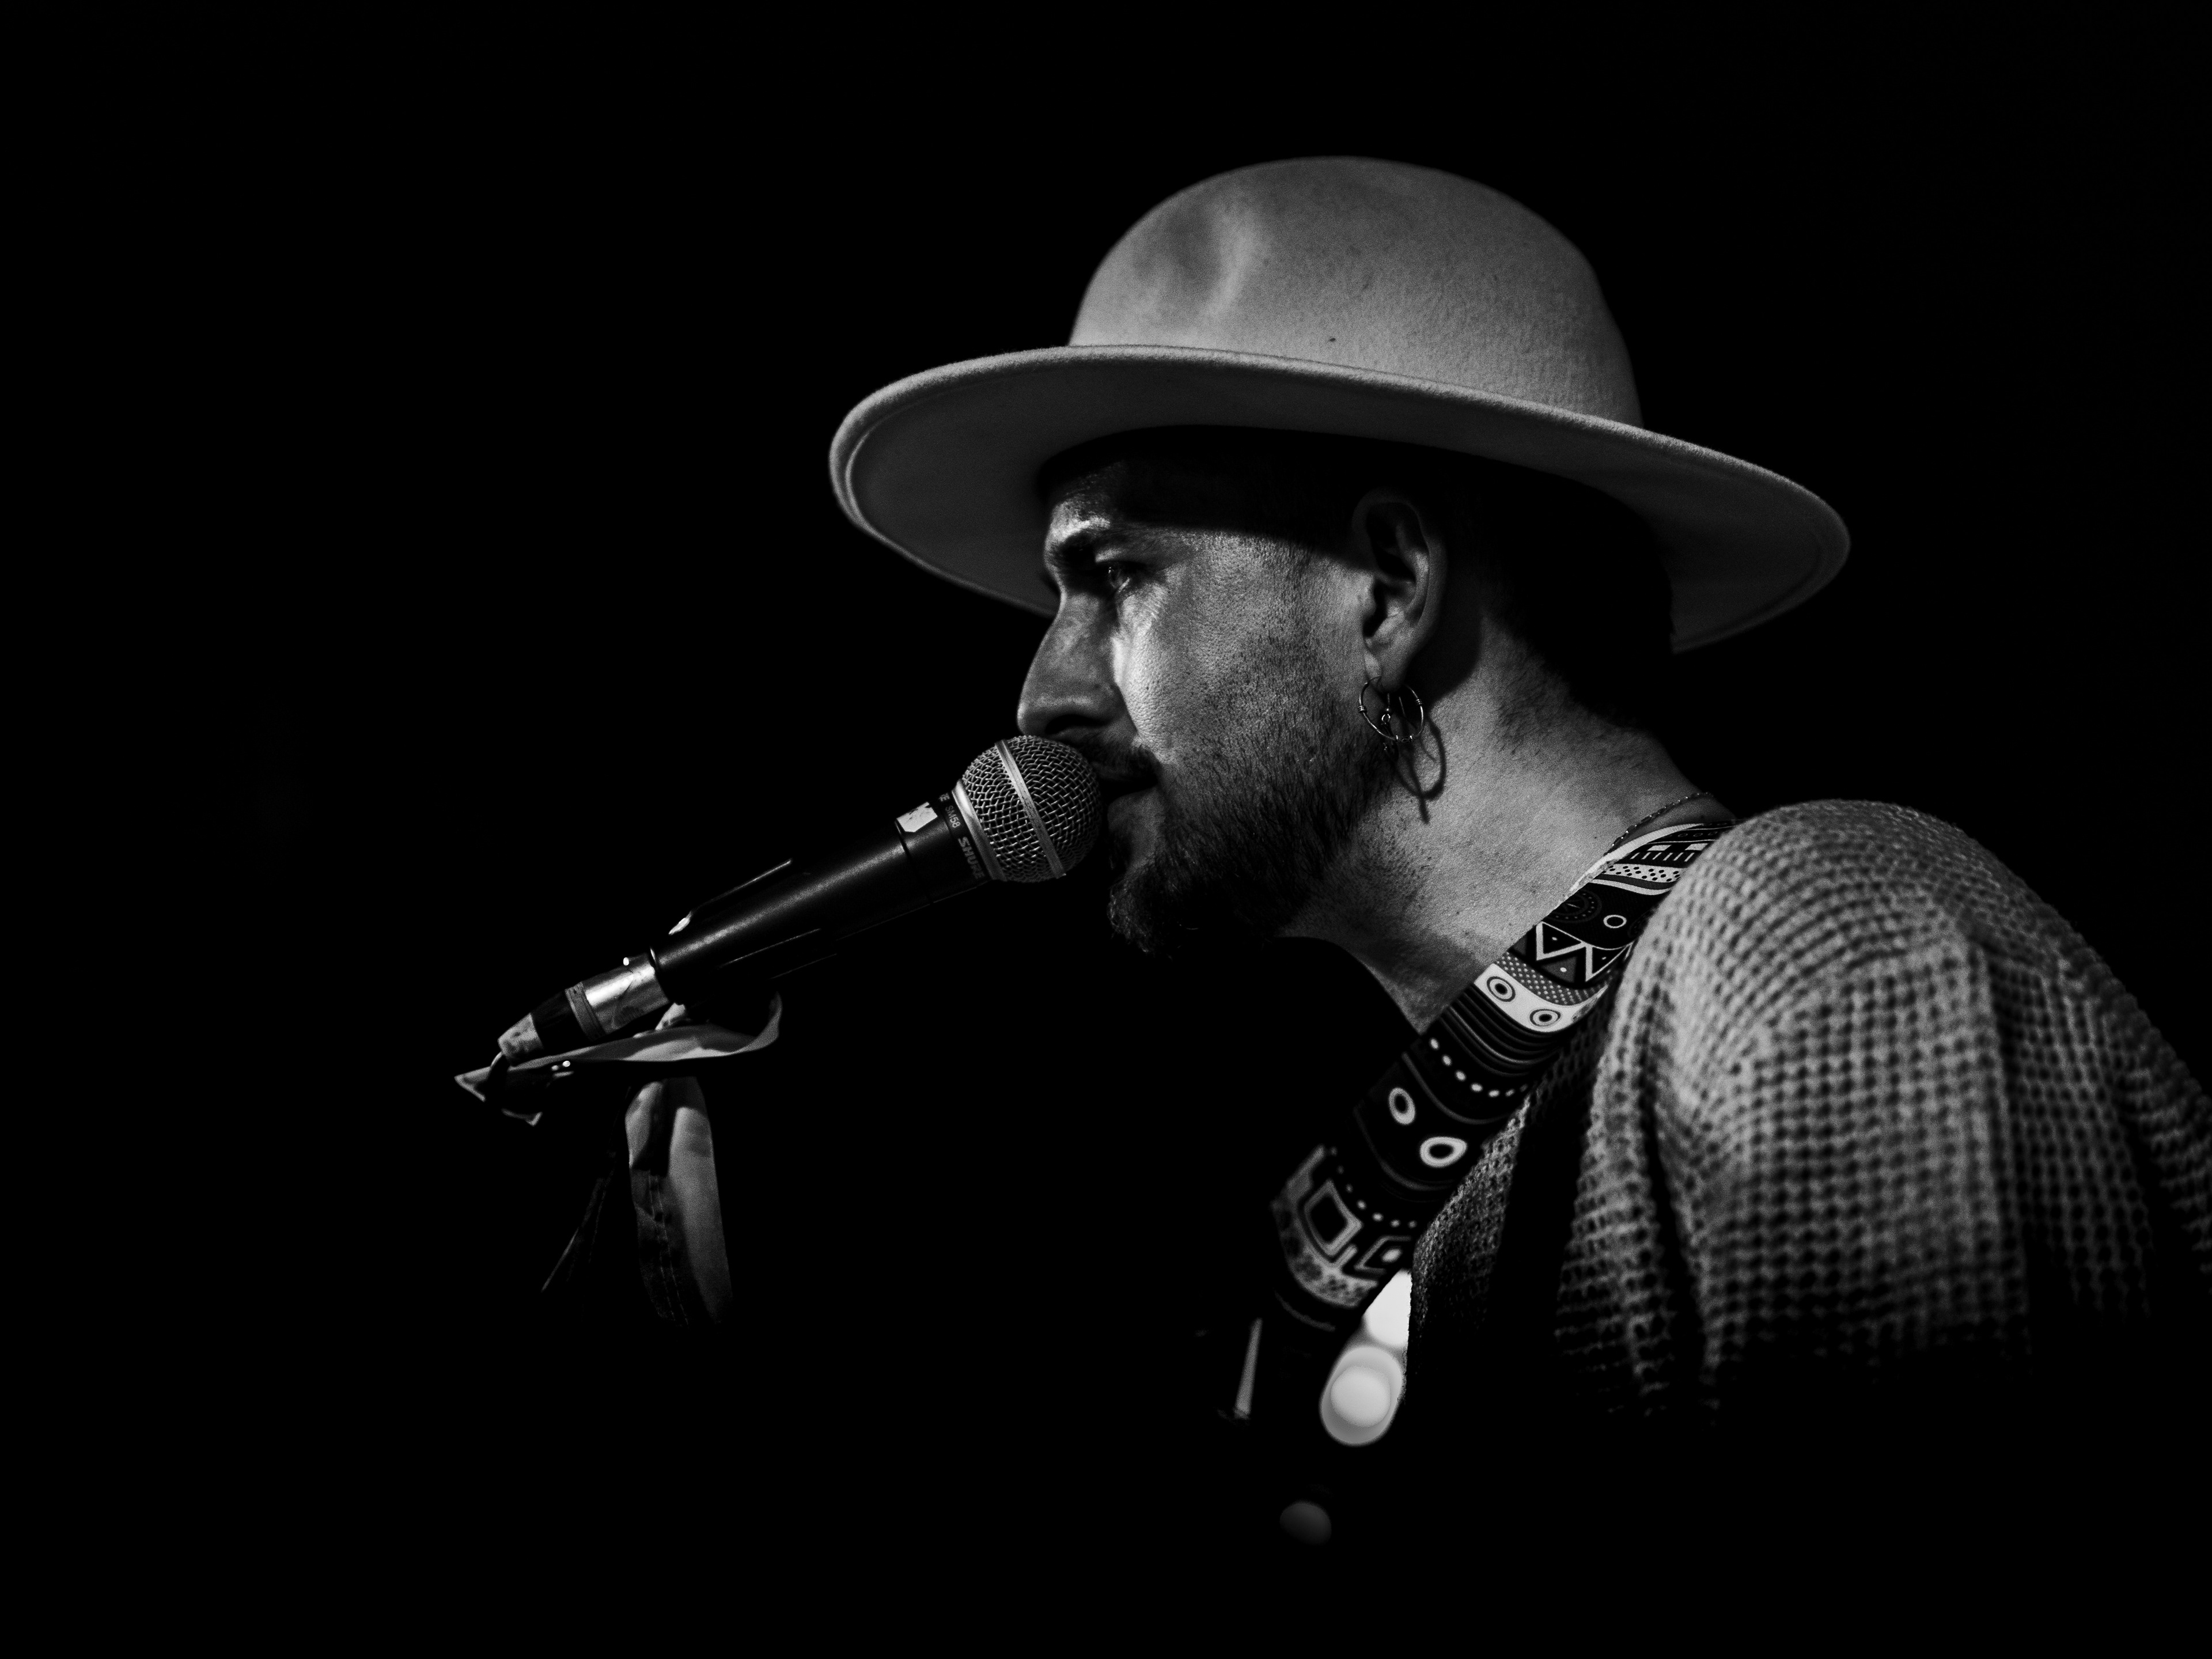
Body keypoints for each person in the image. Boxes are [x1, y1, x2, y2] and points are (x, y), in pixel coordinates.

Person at [584, 158, 2209, 1565]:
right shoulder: (1451, 1160)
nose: (1042, 693)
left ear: (1389, 587)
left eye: (1115, 576)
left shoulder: (1820, 938)